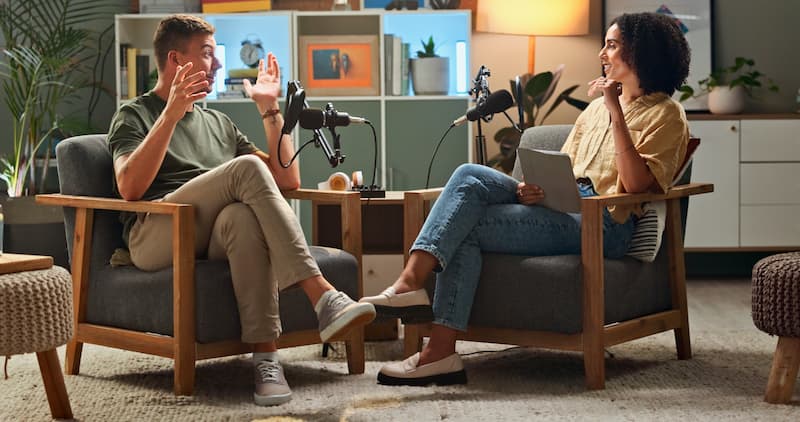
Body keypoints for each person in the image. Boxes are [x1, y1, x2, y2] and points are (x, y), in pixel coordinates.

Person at [360, 11, 691, 386]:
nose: (602, 53)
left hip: (605, 224)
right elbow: (564, 168)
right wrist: (531, 188)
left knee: (464, 227)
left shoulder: (667, 115)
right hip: (563, 206)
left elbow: (634, 185)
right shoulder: (594, 111)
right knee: (468, 174)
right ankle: (415, 299)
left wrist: (615, 110)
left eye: (612, 45)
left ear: (641, 52)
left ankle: (432, 339)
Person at [106, 15, 376, 405]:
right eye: (207, 53)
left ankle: (266, 361)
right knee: (246, 168)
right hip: (157, 232)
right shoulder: (134, 114)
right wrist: (170, 115)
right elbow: (129, 187)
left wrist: (270, 109)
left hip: (212, 233)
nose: (217, 63)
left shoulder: (218, 122)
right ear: (175, 60)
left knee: (242, 217)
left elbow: (286, 180)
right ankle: (322, 296)